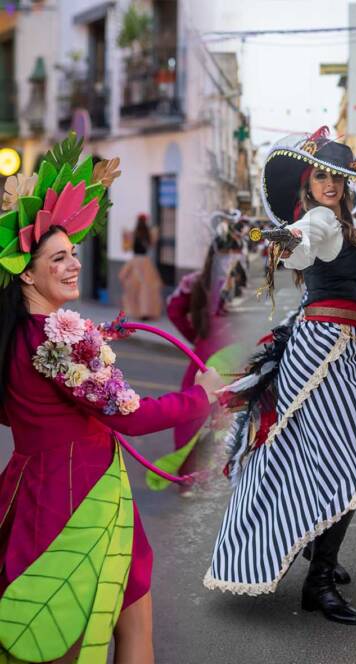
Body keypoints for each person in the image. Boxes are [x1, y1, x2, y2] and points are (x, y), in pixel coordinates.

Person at [0, 140, 222, 663]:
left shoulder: (20, 335)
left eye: (74, 253)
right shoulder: (57, 339)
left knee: (104, 613)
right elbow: (133, 418)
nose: (74, 264)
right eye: (59, 258)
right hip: (77, 499)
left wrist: (95, 342)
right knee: (83, 628)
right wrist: (202, 396)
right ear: (27, 274)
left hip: (37, 484)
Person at [205, 128, 356, 627]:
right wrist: (286, 237)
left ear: (349, 181)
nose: (330, 183)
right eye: (322, 175)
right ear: (309, 182)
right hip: (324, 351)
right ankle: (319, 580)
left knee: (322, 457)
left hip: (340, 348)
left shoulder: (345, 219)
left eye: (339, 176)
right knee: (342, 460)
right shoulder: (322, 219)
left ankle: (317, 557)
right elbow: (306, 243)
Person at [165, 216, 239, 491]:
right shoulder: (239, 283)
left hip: (205, 357)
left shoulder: (199, 281)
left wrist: (197, 338)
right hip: (229, 357)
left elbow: (174, 309)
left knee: (195, 416)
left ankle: (191, 479)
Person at [119, 213, 164, 320]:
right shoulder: (148, 233)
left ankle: (138, 311)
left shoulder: (133, 234)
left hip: (134, 262)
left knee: (134, 287)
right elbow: (153, 240)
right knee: (148, 288)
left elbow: (126, 247)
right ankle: (146, 311)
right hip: (146, 262)